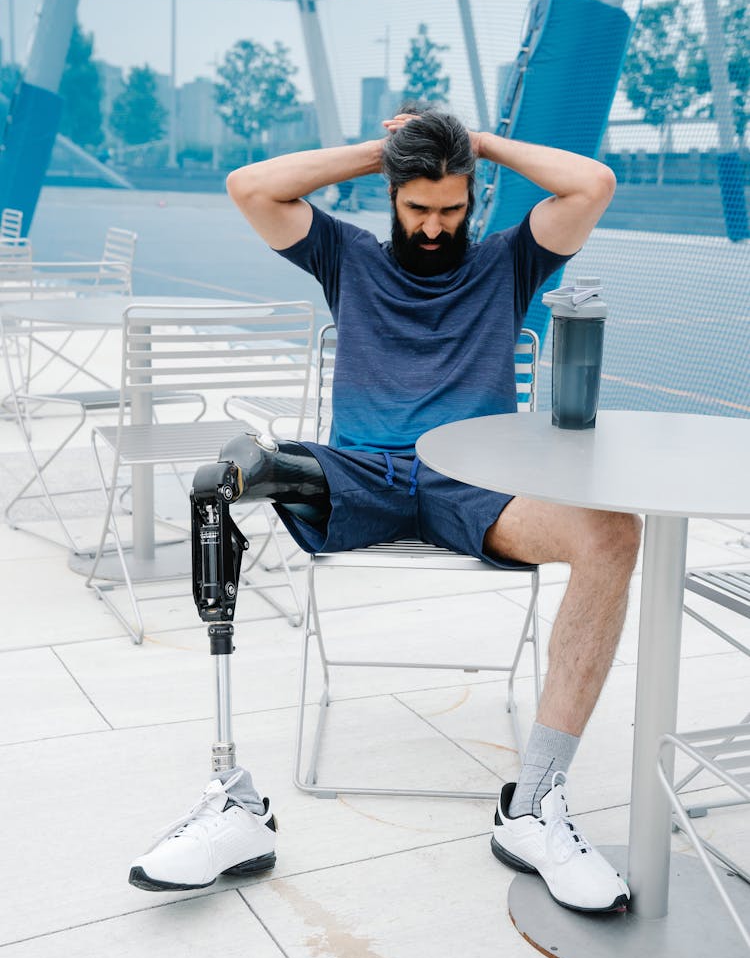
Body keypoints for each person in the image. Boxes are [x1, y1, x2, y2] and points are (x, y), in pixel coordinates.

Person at [129, 106, 641, 914]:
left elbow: (594, 183)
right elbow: (249, 187)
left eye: (452, 209)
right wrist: (380, 149)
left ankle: (534, 805)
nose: (436, 228)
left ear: (474, 197)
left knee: (614, 531)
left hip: (472, 482)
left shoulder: (511, 261)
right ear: (391, 194)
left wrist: (479, 141)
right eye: (418, 208)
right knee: (217, 483)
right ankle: (234, 803)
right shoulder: (349, 256)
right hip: (356, 472)